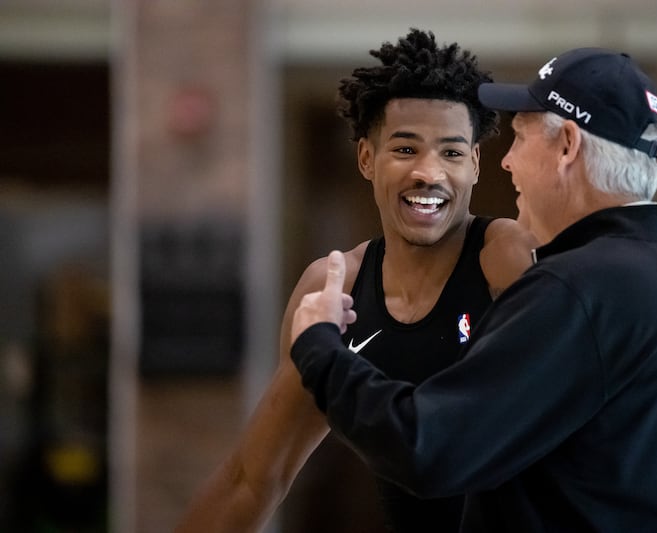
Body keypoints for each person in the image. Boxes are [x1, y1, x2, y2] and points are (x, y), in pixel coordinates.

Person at [289, 47, 657, 532]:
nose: (507, 162)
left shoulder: (576, 290)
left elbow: (428, 449)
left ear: (567, 146)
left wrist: (320, 348)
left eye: (519, 137)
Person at [175, 28, 538, 533]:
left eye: (452, 153)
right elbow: (254, 478)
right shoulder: (333, 290)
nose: (429, 173)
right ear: (367, 159)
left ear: (475, 164)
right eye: (406, 150)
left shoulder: (508, 256)